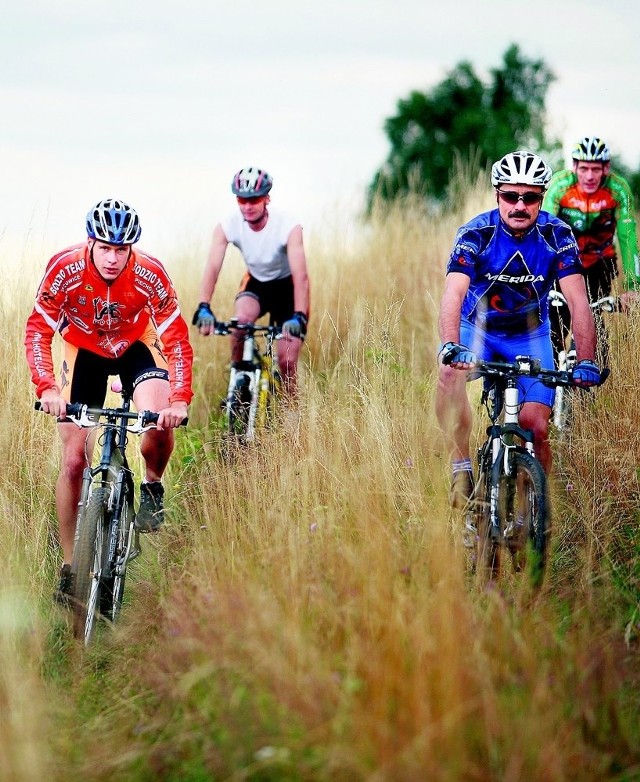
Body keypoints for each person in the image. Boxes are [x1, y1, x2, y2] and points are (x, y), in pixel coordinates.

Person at [25, 198, 193, 602]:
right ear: (90, 243)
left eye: (122, 249)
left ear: (131, 248)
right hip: (82, 349)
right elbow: (37, 330)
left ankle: (152, 484)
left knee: (156, 423)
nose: (113, 258)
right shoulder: (63, 268)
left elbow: (176, 337)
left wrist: (180, 400)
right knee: (74, 460)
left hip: (136, 345)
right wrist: (46, 387)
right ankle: (71, 567)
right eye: (105, 248)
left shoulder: (150, 273)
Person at [435, 150, 602, 519]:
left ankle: (536, 514)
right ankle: (460, 463)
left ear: (542, 198)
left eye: (530, 197)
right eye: (511, 196)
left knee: (536, 427)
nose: (520, 205)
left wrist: (587, 358)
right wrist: (451, 344)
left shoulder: (557, 235)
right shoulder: (476, 232)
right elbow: (453, 294)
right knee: (449, 373)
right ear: (498, 195)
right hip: (476, 329)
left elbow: (578, 301)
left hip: (530, 335)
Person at [192, 167, 310, 397]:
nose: (247, 206)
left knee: (286, 361)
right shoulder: (228, 224)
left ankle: (291, 417)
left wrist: (299, 316)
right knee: (240, 324)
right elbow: (213, 266)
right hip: (256, 283)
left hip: (289, 288)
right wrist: (204, 306)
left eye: (254, 200)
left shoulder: (288, 225)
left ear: (267, 198)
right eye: (241, 200)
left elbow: (301, 276)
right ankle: (239, 384)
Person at [542, 136, 640, 363]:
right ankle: (550, 379)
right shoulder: (560, 186)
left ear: (606, 168)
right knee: (556, 323)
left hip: (599, 263)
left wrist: (632, 286)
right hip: (563, 262)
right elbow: (544, 231)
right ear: (574, 166)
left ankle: (593, 371)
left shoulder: (618, 189)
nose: (589, 176)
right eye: (584, 168)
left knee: (592, 318)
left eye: (596, 169)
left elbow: (628, 238)